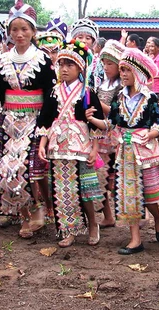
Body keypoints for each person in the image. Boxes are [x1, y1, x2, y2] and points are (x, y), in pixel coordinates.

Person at [0, 0, 56, 237]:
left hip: (35, 122)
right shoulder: (3, 60)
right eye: (14, 29)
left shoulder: (42, 60)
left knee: (27, 170)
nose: (19, 34)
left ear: (34, 31)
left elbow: (51, 96)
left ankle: (35, 213)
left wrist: (44, 127)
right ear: (8, 32)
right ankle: (26, 213)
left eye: (25, 29)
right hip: (9, 123)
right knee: (7, 169)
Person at [87, 48, 159, 254]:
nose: (123, 73)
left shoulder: (150, 98)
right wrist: (92, 119)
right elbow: (112, 123)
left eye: (127, 70)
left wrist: (152, 134)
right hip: (125, 151)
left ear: (139, 72)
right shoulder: (119, 97)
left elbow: (158, 122)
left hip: (145, 152)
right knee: (130, 193)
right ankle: (135, 239)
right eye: (122, 69)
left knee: (150, 195)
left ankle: (158, 218)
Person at [37, 39, 104, 248]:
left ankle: (93, 224)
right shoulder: (53, 92)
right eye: (62, 64)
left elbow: (96, 124)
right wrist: (42, 142)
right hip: (58, 147)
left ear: (80, 68)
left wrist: (94, 148)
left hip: (81, 147)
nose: (64, 69)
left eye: (70, 65)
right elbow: (45, 119)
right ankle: (70, 228)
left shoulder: (87, 93)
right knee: (62, 189)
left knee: (84, 190)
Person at [94, 39, 125, 229]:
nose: (106, 67)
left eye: (110, 63)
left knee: (117, 177)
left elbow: (117, 112)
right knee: (101, 175)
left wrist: (95, 104)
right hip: (101, 136)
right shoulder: (102, 84)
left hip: (116, 137)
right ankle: (107, 215)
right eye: (104, 63)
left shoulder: (122, 87)